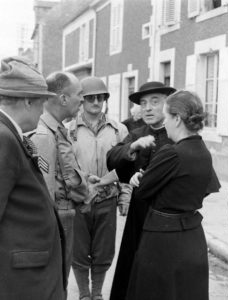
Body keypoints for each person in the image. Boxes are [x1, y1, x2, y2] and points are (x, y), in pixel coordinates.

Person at [0, 56, 66, 299]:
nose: (42, 113)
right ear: (28, 101)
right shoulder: (1, 139)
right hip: (16, 281)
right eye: (41, 104)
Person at [117, 90, 220, 300]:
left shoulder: (172, 152)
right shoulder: (203, 151)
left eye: (167, 118)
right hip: (192, 236)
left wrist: (143, 179)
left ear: (177, 119)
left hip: (163, 240)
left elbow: (143, 191)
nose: (165, 125)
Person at [108, 81, 176, 300]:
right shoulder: (137, 133)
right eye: (144, 103)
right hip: (138, 215)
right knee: (132, 267)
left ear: (167, 104)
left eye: (154, 102)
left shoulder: (178, 133)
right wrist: (132, 148)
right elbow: (112, 159)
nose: (147, 108)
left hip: (166, 216)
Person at [31, 71, 99, 285]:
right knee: (56, 280)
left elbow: (64, 171)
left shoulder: (56, 129)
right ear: (63, 98)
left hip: (65, 214)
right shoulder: (44, 134)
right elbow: (46, 188)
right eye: (79, 94)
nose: (82, 99)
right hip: (57, 217)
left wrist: (85, 179)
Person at [67, 76, 130, 300]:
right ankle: (84, 294)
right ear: (81, 101)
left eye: (100, 97)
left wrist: (125, 198)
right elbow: (63, 168)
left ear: (105, 100)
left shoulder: (118, 130)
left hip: (107, 199)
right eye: (90, 98)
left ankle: (97, 293)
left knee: (104, 252)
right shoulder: (68, 131)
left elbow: (126, 168)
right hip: (79, 201)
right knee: (79, 251)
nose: (96, 102)